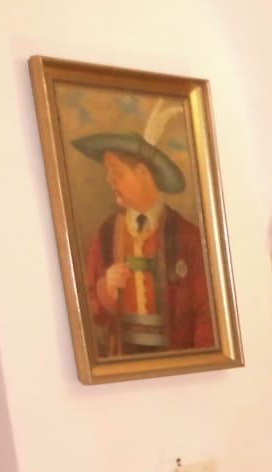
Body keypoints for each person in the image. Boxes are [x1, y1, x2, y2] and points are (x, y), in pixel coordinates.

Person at [72, 112, 214, 357]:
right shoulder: (106, 235)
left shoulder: (187, 236)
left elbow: (208, 315)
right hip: (125, 364)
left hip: (179, 363)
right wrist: (106, 288)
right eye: (108, 172)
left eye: (117, 172)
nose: (110, 180)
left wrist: (197, 367)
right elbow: (88, 312)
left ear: (142, 173)